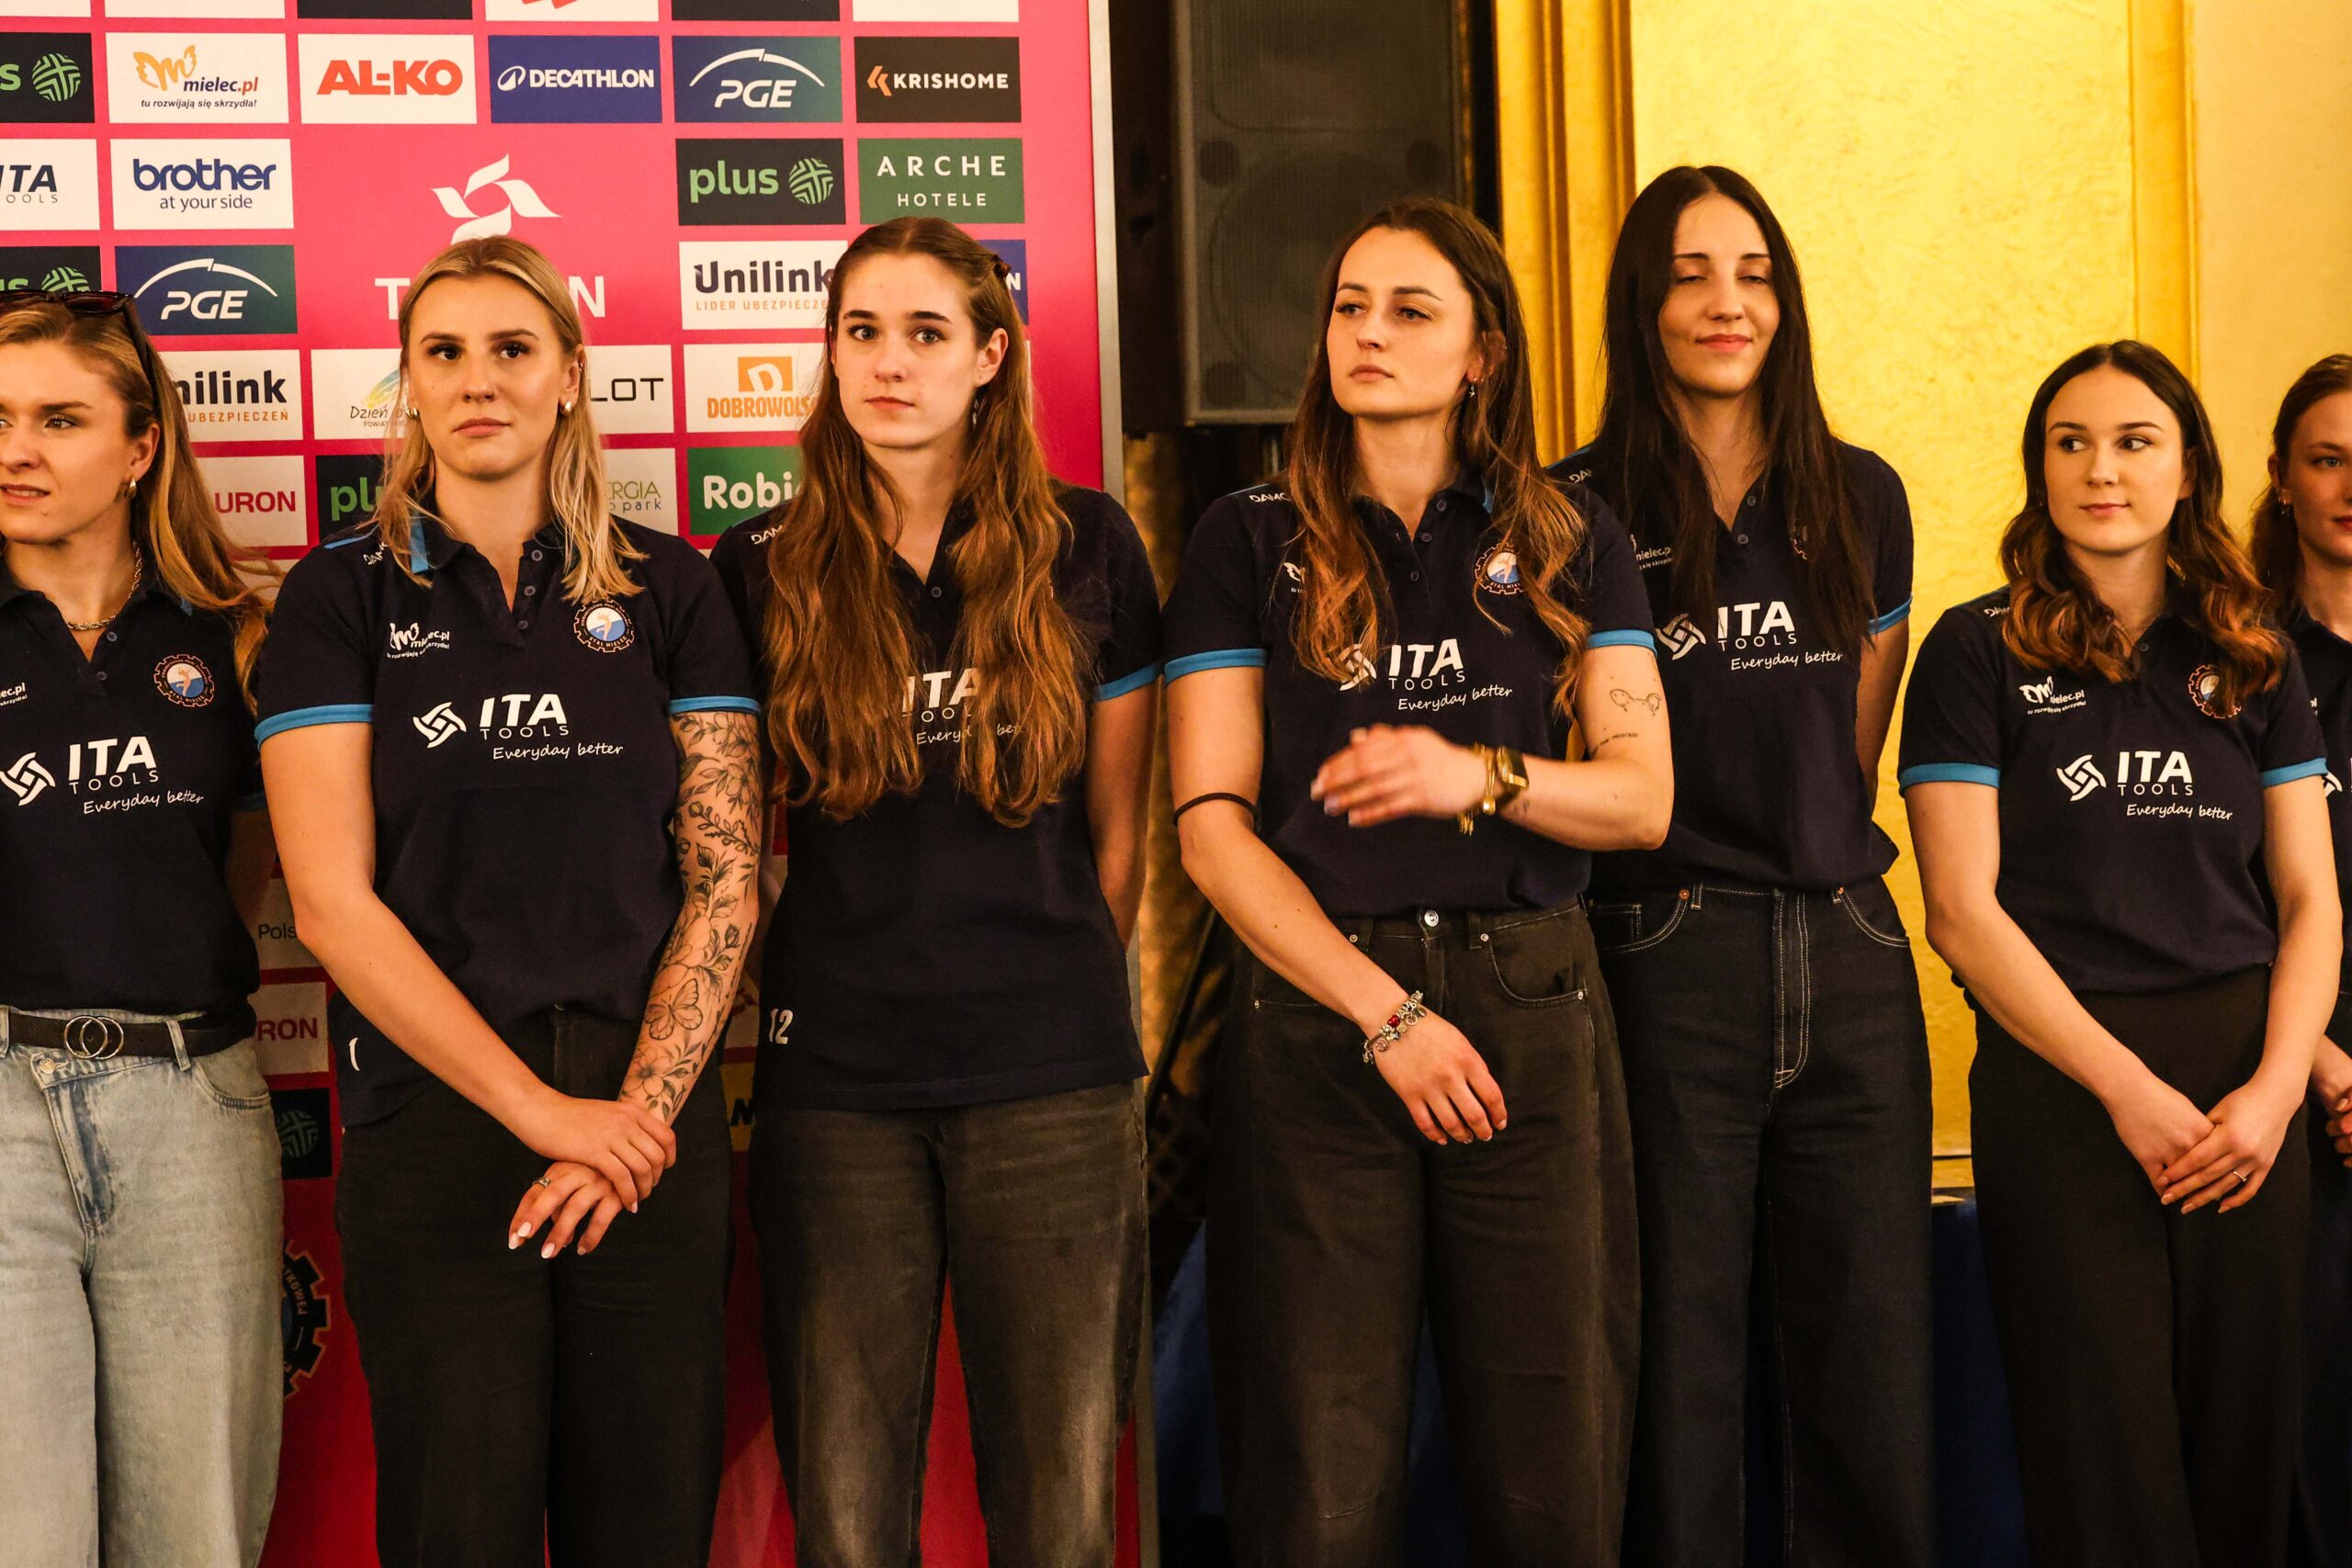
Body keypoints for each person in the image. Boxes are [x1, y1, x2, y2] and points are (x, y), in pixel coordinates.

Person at [1164, 197, 1672, 1566]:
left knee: (1552, 1467)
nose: (1368, 334)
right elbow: (1209, 828)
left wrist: (1479, 776)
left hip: (1529, 1007)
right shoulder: (1245, 536)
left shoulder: (1570, 533)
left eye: (1409, 310)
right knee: (1317, 1478)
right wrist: (1385, 1015)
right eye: (1350, 306)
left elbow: (1641, 799)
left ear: (1483, 354)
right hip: (1325, 1012)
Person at [254, 238, 763, 1568]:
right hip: (439, 1124)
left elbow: (724, 877)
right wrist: (541, 1115)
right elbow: (330, 905)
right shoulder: (336, 596)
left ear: (570, 378)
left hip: (647, 1129)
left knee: (647, 1530)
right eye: (444, 352)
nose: (478, 380)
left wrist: (630, 1121)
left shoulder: (672, 585)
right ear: (410, 384)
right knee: (457, 1531)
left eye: (513, 349)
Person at [710, 216, 1159, 1565]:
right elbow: (728, 848)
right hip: (837, 1089)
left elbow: (1121, 838)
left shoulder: (1089, 545)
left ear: (991, 356)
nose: (889, 364)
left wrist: (1048, 992)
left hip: (1054, 1081)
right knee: (849, 1523)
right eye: (861, 332)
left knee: (1063, 1513)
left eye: (924, 333)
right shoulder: (757, 564)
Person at [1902, 340, 2338, 1568]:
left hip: (2246, 1092)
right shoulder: (1974, 649)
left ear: (2188, 469)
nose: (2102, 470)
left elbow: (2311, 900)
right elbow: (1961, 913)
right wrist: (2127, 1092)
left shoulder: (2254, 651)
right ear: (2039, 468)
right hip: (2068, 1091)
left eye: (2135, 442)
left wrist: (2276, 1091)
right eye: (2072, 443)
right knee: (2105, 1467)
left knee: (2244, 1453)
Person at [1554, 164, 1932, 1567]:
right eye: (1691, 274)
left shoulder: (1864, 494)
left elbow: (1854, 739)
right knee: (1679, 1360)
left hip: (1851, 946)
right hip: (1666, 952)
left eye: (1755, 273)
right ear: (1641, 304)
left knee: (1871, 1363)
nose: (1728, 303)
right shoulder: (1570, 505)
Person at [0, 289, 282, 1567]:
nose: (19, 451)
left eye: (60, 419)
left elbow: (251, 871)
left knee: (195, 1533)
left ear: (140, 446)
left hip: (193, 1099)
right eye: (0, 420)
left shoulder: (242, 636)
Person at [2247, 353, 2352, 1568]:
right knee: (2308, 1426)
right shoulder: (2239, 663)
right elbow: (2220, 893)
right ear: (2282, 477)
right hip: (2286, 1078)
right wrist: (2318, 1061)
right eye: (2330, 461)